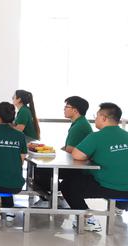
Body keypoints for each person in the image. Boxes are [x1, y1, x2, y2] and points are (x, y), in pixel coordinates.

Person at [60, 103, 128, 232]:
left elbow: (77, 155)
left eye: (96, 116)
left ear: (104, 118)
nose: (95, 119)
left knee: (67, 185)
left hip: (108, 187)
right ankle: (121, 205)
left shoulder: (97, 136)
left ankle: (88, 220)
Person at [32, 96, 93, 195]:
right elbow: (68, 147)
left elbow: (69, 149)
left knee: (41, 170)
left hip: (79, 168)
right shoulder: (80, 123)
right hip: (78, 164)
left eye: (67, 107)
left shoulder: (79, 126)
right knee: (41, 169)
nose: (64, 109)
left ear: (75, 110)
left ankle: (52, 196)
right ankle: (54, 194)